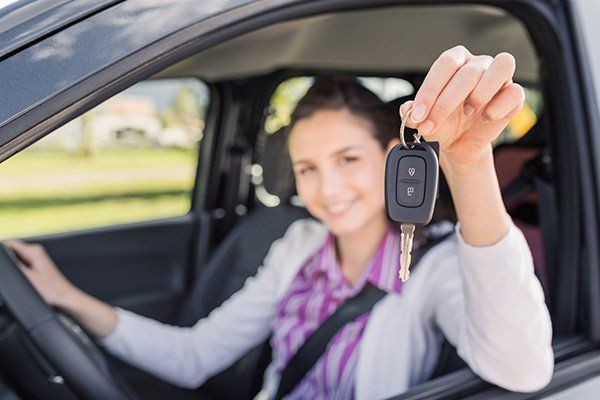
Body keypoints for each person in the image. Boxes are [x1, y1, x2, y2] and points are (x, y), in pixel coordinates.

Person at [6, 46, 553, 400]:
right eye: (307, 169)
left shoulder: (434, 267)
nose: (327, 189)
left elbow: (522, 370)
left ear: (393, 156)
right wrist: (65, 297)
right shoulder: (298, 243)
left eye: (347, 159)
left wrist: (467, 161)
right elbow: (196, 356)